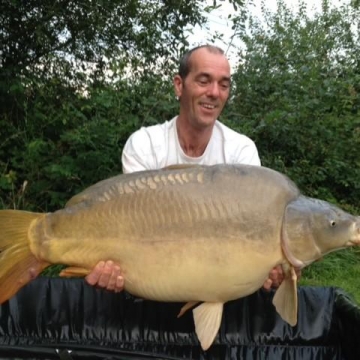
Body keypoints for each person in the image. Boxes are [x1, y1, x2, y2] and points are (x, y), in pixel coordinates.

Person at [85, 44, 294, 293]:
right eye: (204, 81)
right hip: (152, 284)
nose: (214, 92)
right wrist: (111, 267)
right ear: (179, 85)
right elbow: (135, 226)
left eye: (224, 84)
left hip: (221, 290)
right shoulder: (145, 144)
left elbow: (252, 232)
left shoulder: (241, 151)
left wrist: (270, 269)